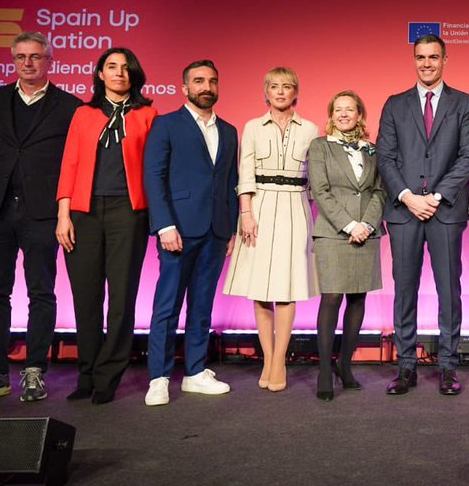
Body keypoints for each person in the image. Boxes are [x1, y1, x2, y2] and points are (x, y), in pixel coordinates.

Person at [0, 31, 80, 405]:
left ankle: (34, 371)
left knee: (41, 292)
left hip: (42, 212)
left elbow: (72, 161)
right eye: (20, 57)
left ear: (49, 61)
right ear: (13, 60)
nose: (27, 63)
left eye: (35, 56)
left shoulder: (70, 106)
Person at [377, 34, 469, 396]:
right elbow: (385, 157)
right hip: (404, 212)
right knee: (404, 291)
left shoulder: (464, 103)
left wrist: (435, 197)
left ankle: (448, 367)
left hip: (444, 211)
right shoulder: (395, 104)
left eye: (433, 57)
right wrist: (408, 197)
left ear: (444, 60)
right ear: (414, 61)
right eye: (420, 57)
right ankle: (406, 367)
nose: (427, 63)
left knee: (449, 291)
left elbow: (468, 156)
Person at [55, 47, 157, 405]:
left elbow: (154, 168)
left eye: (126, 67)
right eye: (111, 66)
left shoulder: (148, 115)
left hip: (127, 212)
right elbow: (69, 163)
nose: (119, 73)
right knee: (86, 297)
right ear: (100, 74)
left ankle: (108, 376)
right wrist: (64, 214)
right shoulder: (83, 114)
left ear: (134, 74)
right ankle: (86, 373)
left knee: (122, 297)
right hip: (82, 212)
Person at [143, 59, 239, 406]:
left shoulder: (229, 130)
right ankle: (158, 377)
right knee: (167, 305)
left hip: (215, 230)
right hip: (178, 229)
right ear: (184, 88)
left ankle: (195, 372)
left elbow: (229, 181)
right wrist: (164, 225)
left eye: (212, 81)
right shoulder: (166, 124)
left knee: (202, 304)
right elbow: (154, 176)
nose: (206, 87)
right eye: (198, 81)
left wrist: (231, 228)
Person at [223, 67, 320, 392]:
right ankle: (268, 358)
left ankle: (279, 360)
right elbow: (245, 173)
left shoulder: (310, 129)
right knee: (262, 288)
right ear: (266, 92)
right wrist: (246, 213)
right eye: (274, 86)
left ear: (295, 92)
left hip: (295, 206)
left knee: (288, 286)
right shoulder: (252, 127)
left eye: (287, 86)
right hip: (260, 206)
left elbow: (314, 178)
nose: (280, 91)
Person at [308, 91, 386, 400]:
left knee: (357, 298)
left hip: (367, 232)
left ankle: (345, 364)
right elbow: (320, 190)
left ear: (359, 114)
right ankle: (325, 369)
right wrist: (350, 225)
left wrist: (367, 224)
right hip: (333, 233)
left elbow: (379, 190)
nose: (343, 114)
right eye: (337, 109)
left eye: (349, 109)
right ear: (331, 115)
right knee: (331, 298)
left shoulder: (372, 149)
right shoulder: (320, 146)